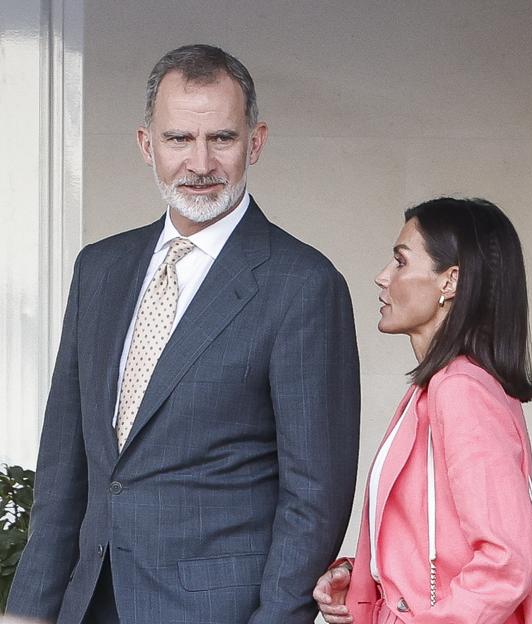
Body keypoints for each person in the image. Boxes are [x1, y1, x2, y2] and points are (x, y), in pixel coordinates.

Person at [7, 44, 360, 624]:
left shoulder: (303, 284)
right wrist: (28, 611)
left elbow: (314, 496)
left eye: (221, 138)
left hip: (219, 611)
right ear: (147, 145)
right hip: (87, 603)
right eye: (178, 139)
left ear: (256, 141)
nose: (199, 163)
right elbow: (65, 462)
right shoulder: (99, 268)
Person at [314, 197, 532, 624]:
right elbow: (437, 537)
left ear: (450, 281)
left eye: (400, 262)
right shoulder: (436, 387)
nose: (382, 277)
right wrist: (365, 577)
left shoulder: (461, 390)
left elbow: (508, 560)